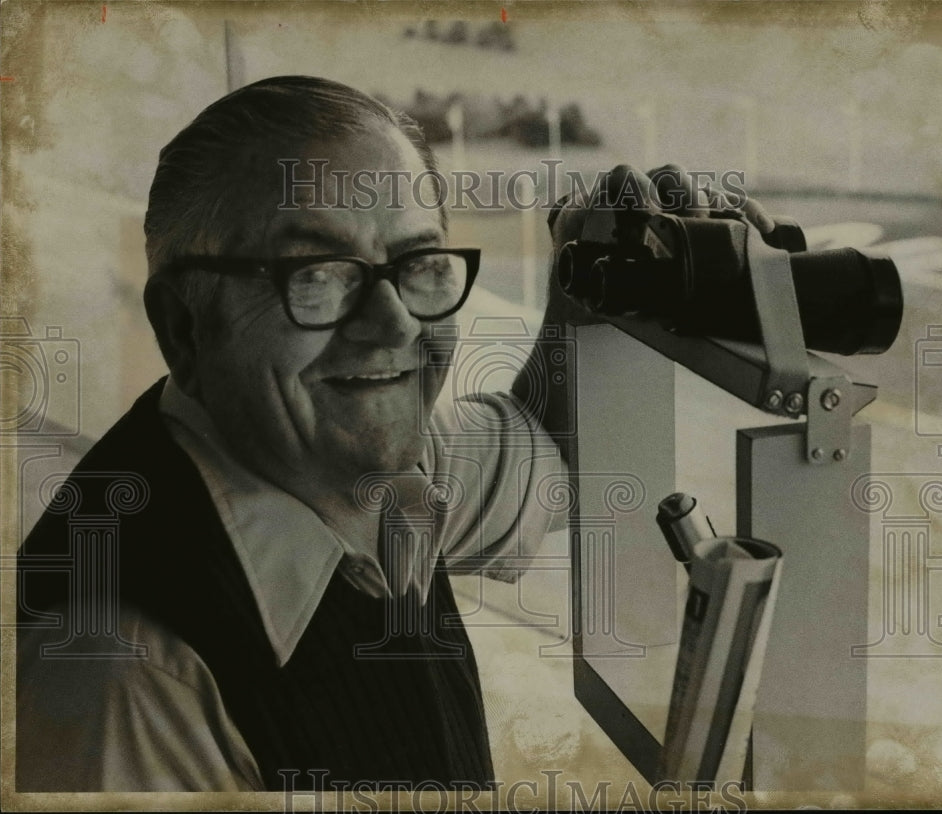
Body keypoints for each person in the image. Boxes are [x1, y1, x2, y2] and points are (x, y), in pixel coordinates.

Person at [16, 76, 565, 792]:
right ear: (184, 326)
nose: (395, 323)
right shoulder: (126, 673)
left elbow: (554, 459)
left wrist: (601, 266)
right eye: (320, 274)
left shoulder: (373, 471)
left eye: (419, 264)